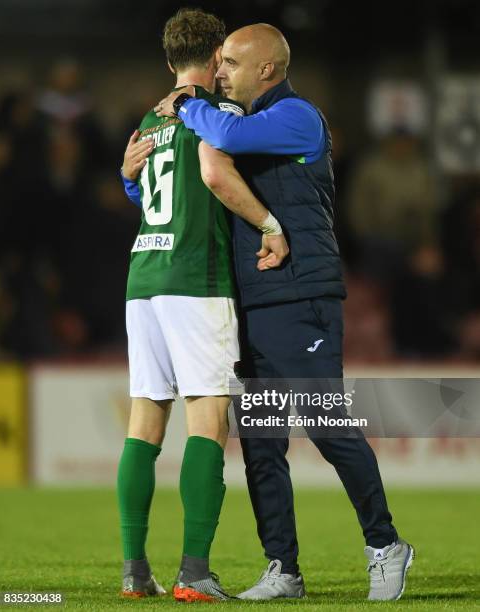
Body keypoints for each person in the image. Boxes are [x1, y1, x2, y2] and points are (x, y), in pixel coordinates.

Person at [155, 23, 414, 602]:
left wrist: (192, 100)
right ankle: (284, 569)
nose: (219, 74)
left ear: (266, 71)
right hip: (253, 302)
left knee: (326, 424)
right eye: (216, 66)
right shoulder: (244, 127)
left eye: (230, 65)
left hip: (302, 296)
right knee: (263, 443)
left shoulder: (298, 117)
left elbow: (218, 126)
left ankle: (385, 544)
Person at [118, 9, 288, 603]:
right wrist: (270, 222)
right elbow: (215, 173)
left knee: (144, 424)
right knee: (208, 424)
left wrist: (127, 181)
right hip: (196, 278)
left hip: (144, 279)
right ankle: (194, 572)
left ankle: (135, 570)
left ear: (169, 61)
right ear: (219, 55)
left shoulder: (148, 118)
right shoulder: (215, 113)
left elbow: (144, 188)